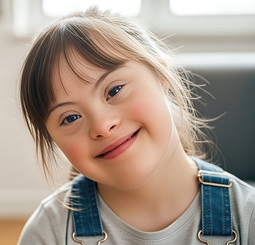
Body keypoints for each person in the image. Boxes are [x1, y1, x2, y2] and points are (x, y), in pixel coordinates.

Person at [17, 7, 255, 245]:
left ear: (161, 75)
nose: (102, 125)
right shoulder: (47, 233)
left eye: (114, 90)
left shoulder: (248, 218)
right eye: (70, 118)